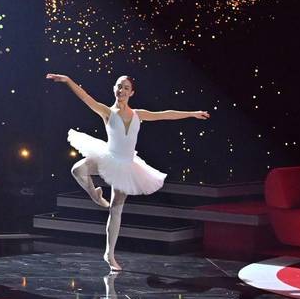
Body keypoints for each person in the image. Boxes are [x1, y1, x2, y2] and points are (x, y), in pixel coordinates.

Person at [44, 74, 209, 272]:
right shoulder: (107, 112)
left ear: (132, 93)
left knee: (116, 210)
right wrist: (68, 80)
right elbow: (86, 97)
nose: (121, 90)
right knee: (77, 170)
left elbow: (165, 114)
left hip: (127, 165)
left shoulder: (138, 114)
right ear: (114, 88)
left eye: (125, 88)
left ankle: (109, 254)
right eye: (119, 86)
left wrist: (192, 113)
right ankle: (95, 196)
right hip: (108, 157)